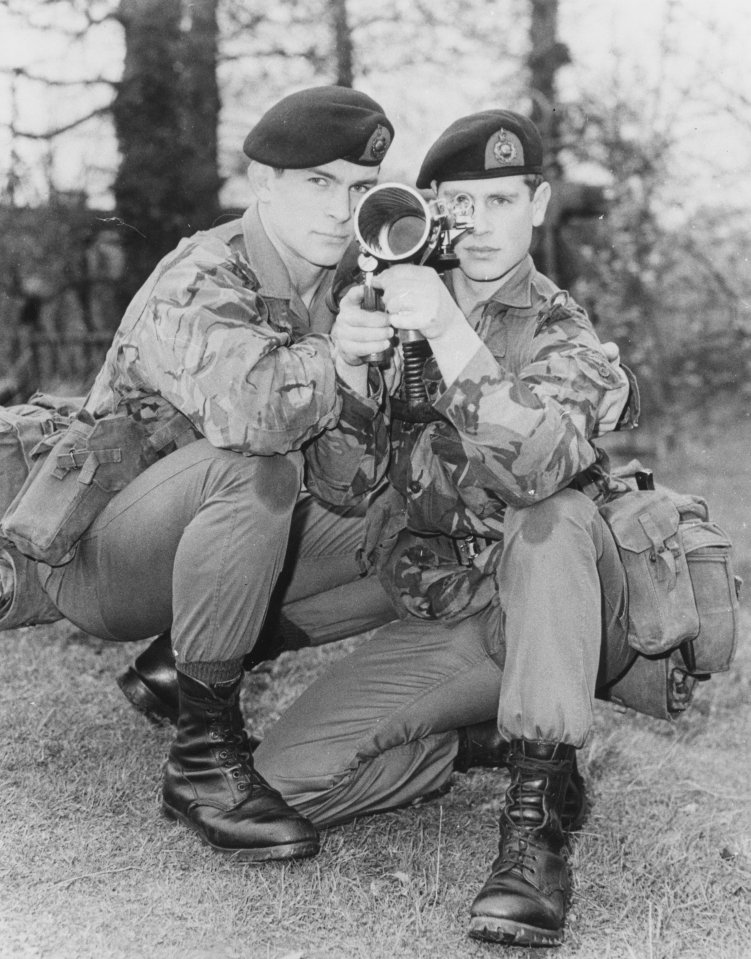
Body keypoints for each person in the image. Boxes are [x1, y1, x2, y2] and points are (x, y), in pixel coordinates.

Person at [249, 109, 639, 945]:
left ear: (536, 206)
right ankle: (476, 745)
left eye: (503, 201)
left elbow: (537, 465)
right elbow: (342, 486)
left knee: (554, 515)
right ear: (430, 207)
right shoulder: (393, 308)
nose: (483, 225)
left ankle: (534, 830)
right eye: (461, 203)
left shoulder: (566, 332)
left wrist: (449, 331)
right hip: (457, 609)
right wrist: (349, 368)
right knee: (284, 782)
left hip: (557, 609)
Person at [26, 85, 404, 863]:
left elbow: (342, 478)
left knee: (407, 524)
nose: (341, 209)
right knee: (254, 472)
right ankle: (201, 761)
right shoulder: (199, 274)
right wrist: (342, 359)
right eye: (318, 182)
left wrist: (376, 383)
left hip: (202, 549)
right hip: (102, 553)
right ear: (264, 182)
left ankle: (180, 668)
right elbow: (257, 418)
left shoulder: (337, 291)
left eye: (359, 189)